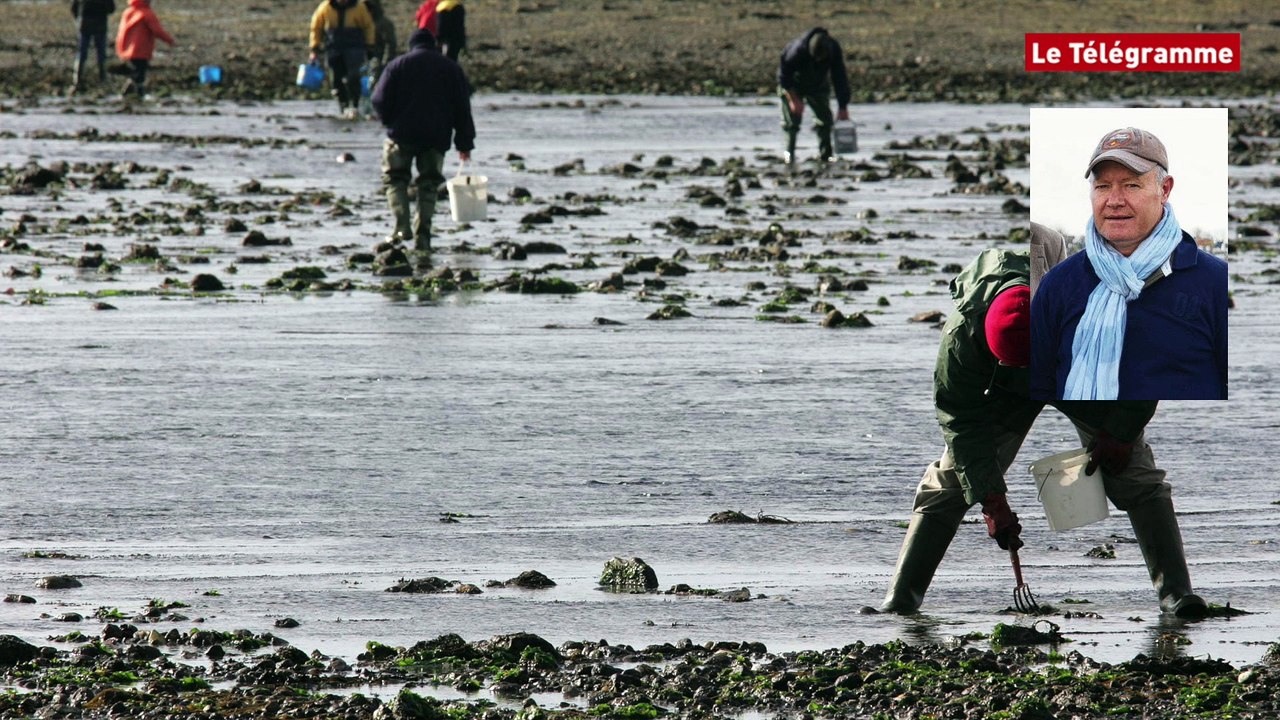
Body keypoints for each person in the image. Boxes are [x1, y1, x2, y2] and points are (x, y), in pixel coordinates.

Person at [879, 241, 1208, 619]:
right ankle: (901, 600)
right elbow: (961, 419)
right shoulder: (962, 339)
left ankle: (1176, 595)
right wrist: (990, 497)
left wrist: (1120, 431)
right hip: (998, 385)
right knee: (953, 482)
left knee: (1131, 471)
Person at [1031, 127, 1229, 401]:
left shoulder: (1216, 283)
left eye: (1131, 185)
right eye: (1102, 187)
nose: (1114, 201)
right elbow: (1039, 389)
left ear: (1165, 189)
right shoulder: (1059, 285)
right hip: (1090, 438)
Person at [371, 28, 475, 267]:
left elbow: (378, 99)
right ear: (435, 45)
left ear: (411, 45)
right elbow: (462, 108)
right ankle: (423, 237)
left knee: (395, 179)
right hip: (435, 138)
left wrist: (389, 122)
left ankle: (401, 227)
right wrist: (464, 143)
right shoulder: (451, 68)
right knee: (428, 184)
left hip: (401, 135)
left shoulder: (398, 65)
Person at [776, 27, 850, 164]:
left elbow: (839, 77)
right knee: (791, 123)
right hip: (793, 85)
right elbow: (783, 76)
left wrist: (843, 107)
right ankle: (788, 157)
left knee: (825, 121)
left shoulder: (833, 49)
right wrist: (793, 100)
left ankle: (826, 156)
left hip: (818, 85)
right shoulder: (797, 50)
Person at [309, 0, 376, 119]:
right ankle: (343, 106)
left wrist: (370, 45)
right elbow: (316, 28)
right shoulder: (325, 7)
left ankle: (355, 104)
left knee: (353, 76)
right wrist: (314, 47)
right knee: (336, 78)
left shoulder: (359, 7)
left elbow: (368, 26)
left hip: (354, 47)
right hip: (333, 47)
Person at [115, 0, 174, 101]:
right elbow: (157, 30)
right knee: (140, 73)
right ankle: (138, 94)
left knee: (136, 71)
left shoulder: (128, 12)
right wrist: (170, 40)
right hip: (141, 49)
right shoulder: (146, 13)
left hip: (127, 48)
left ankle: (127, 93)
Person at [70, 0, 116, 94]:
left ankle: (77, 80)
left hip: (85, 24)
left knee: (82, 53)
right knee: (101, 54)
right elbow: (111, 9)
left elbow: (74, 8)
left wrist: (78, 18)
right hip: (100, 24)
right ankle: (102, 79)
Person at [365, 0, 398, 84]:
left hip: (379, 59)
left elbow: (390, 44)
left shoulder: (383, 24)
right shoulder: (362, 22)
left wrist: (386, 61)